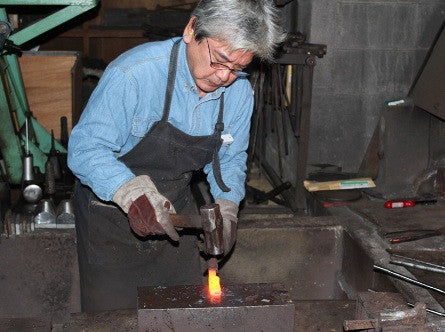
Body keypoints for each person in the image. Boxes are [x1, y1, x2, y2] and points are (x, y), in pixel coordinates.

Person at [68, 0, 285, 312]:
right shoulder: (133, 75)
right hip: (110, 221)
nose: (224, 77)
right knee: (114, 319)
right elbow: (85, 149)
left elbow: (230, 158)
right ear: (191, 29)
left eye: (238, 68)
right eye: (219, 61)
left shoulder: (239, 92)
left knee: (177, 315)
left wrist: (228, 206)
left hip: (176, 218)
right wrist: (130, 193)